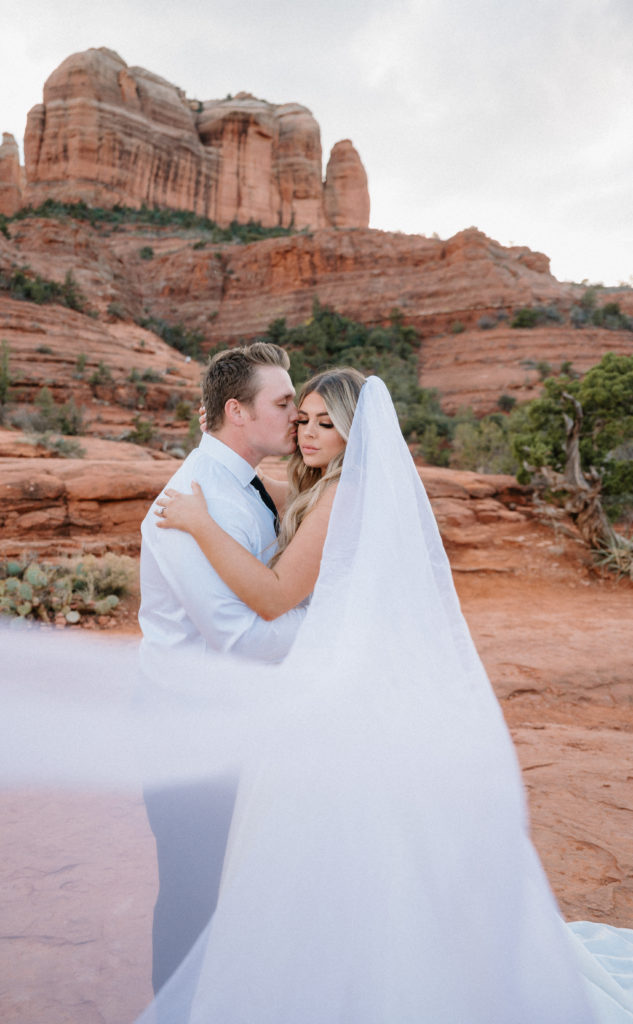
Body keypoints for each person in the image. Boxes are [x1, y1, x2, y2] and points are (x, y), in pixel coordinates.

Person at [144, 369, 633, 1023]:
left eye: (327, 423)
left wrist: (201, 523)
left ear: (355, 432)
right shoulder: (339, 487)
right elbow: (285, 509)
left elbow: (272, 596)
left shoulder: (341, 495)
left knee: (321, 834)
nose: (308, 432)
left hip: (333, 686)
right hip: (337, 676)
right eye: (303, 419)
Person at [138, 342, 309, 996]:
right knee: (193, 893)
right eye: (283, 402)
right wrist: (332, 623)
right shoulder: (187, 501)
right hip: (185, 730)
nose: (296, 415)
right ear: (237, 411)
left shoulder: (245, 485)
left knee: (238, 884)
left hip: (240, 724)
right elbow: (239, 639)